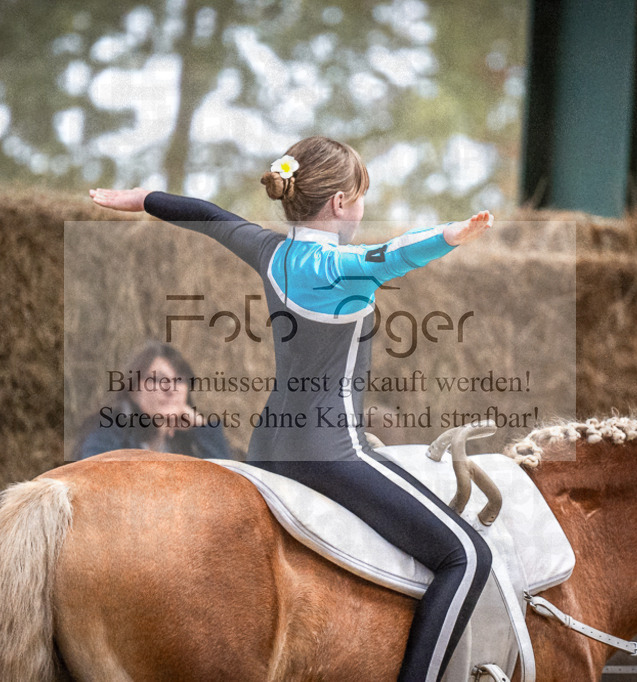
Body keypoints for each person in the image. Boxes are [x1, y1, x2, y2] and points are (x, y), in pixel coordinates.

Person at [90, 135, 493, 682]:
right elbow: (398, 252)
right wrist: (452, 235)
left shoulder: (268, 249)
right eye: (362, 195)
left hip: (267, 450)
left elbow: (209, 215)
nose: (363, 207)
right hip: (330, 453)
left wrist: (145, 199)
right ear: (340, 203)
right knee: (467, 558)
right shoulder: (344, 266)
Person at [75, 340, 231, 461]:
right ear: (134, 389)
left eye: (180, 380)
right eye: (158, 379)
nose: (171, 389)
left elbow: (226, 489)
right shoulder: (107, 432)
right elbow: (97, 483)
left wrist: (203, 429)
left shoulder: (190, 443)